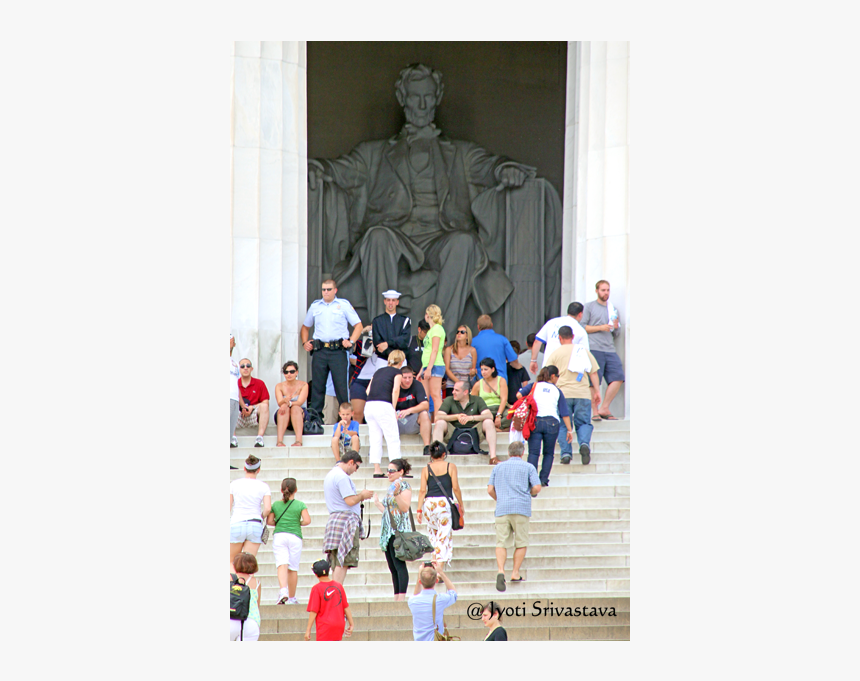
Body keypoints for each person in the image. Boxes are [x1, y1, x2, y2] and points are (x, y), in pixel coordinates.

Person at [308, 63, 545, 340]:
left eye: (428, 97)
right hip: (395, 237)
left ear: (437, 97)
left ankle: (439, 336)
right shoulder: (374, 154)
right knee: (377, 238)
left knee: (465, 242)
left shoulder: (459, 153)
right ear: (402, 99)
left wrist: (505, 169)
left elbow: (490, 166)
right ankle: (382, 335)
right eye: (414, 96)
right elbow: (342, 170)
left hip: (439, 238)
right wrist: (318, 169)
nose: (421, 104)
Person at [301, 279, 364, 415]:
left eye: (329, 289)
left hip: (338, 351)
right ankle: (315, 420)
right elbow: (305, 327)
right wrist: (305, 342)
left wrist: (351, 341)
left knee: (341, 388)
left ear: (335, 290)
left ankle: (345, 421)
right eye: (323, 289)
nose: (326, 292)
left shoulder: (343, 305)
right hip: (320, 351)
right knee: (317, 387)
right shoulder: (316, 306)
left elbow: (358, 326)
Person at [487, 441, 542, 592]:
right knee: (521, 542)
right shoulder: (529, 467)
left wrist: (499, 498)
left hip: (502, 508)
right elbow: (537, 487)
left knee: (501, 542)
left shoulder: (498, 467)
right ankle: (515, 572)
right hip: (521, 508)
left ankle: (500, 571)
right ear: (522, 452)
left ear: (509, 452)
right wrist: (529, 493)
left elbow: (490, 489)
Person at [545, 325, 602, 465]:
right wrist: (597, 391)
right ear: (573, 336)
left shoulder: (555, 353)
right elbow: (593, 372)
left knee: (563, 424)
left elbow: (547, 375)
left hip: (562, 394)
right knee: (583, 423)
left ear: (559, 338)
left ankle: (565, 453)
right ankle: (584, 444)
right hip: (582, 393)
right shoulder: (583, 351)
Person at [322, 450, 373, 585]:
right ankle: (336, 592)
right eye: (357, 466)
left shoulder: (331, 474)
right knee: (342, 560)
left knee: (336, 560)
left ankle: (334, 591)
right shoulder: (342, 477)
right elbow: (350, 501)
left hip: (335, 520)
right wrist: (362, 495)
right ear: (351, 462)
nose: (356, 470)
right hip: (345, 521)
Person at [518, 366, 573, 487]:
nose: (558, 379)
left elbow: (518, 395)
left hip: (535, 421)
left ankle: (531, 481)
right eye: (558, 376)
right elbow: (564, 413)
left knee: (533, 453)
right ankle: (543, 479)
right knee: (548, 453)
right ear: (553, 376)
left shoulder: (534, 386)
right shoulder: (557, 391)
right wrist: (569, 430)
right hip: (552, 422)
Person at [371, 458, 413, 601]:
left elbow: (404, 507)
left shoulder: (404, 486)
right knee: (392, 567)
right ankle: (396, 597)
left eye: (391, 471)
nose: (388, 473)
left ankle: (401, 598)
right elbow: (389, 512)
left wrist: (396, 494)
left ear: (400, 472)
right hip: (388, 532)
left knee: (399, 565)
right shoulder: (391, 487)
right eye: (387, 470)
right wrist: (378, 504)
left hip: (398, 531)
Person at [582, 280, 625, 420]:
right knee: (594, 381)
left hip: (610, 348)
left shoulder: (612, 309)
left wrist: (616, 326)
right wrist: (601, 327)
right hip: (594, 347)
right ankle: (594, 411)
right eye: (603, 290)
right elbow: (582, 328)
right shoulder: (589, 307)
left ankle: (604, 407)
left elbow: (615, 334)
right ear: (596, 291)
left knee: (618, 376)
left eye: (607, 290)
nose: (606, 293)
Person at [416, 441, 464, 567]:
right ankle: (439, 569)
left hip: (429, 503)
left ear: (431, 455)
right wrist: (461, 504)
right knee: (443, 535)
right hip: (443, 503)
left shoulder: (425, 469)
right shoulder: (451, 466)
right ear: (444, 454)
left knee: (433, 534)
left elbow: (422, 491)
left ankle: (433, 561)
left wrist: (419, 510)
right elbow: (456, 487)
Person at [267, 477, 311, 605]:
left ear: (281, 490)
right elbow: (307, 520)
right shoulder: (300, 504)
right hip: (295, 536)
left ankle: (283, 591)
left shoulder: (276, 504)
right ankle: (292, 598)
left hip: (280, 535)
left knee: (282, 564)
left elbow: (270, 521)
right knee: (293, 568)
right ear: (296, 490)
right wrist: (297, 523)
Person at [432, 380, 498, 465]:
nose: (453, 392)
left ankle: (493, 457)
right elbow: (438, 416)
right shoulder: (449, 400)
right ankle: (436, 457)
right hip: (453, 432)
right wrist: (457, 416)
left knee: (489, 422)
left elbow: (489, 416)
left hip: (474, 432)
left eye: (456, 390)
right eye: (453, 389)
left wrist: (471, 418)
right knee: (440, 423)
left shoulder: (477, 400)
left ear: (465, 392)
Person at [364, 349, 405, 477]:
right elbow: (396, 390)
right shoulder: (397, 373)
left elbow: (367, 390)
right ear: (402, 361)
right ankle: (395, 469)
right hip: (384, 405)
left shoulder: (378, 371)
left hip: (369, 405)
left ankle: (377, 470)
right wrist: (393, 408)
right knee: (392, 438)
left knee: (375, 438)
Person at [229, 455, 272, 565]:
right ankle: (247, 582)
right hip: (255, 524)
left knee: (231, 561)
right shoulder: (264, 486)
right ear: (258, 470)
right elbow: (267, 508)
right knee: (248, 563)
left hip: (237, 522)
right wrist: (261, 516)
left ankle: (232, 582)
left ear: (244, 468)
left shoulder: (234, 484)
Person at [529, 301, 591, 377]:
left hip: (548, 366)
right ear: (580, 314)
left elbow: (537, 341)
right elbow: (585, 353)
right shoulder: (581, 331)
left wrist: (533, 360)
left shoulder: (552, 322)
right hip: (566, 370)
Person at [407, 562, 458, 641]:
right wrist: (441, 572)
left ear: (420, 582)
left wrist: (420, 575)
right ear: (436, 580)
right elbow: (453, 593)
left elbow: (416, 596)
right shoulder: (440, 599)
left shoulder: (412, 601)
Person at [305, 559, 354, 641]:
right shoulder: (338, 586)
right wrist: (351, 623)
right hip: (339, 624)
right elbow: (345, 606)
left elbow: (314, 610)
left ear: (316, 574)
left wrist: (308, 629)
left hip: (325, 625)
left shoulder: (316, 589)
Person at [471, 314, 517, 385]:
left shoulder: (473, 342)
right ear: (492, 325)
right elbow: (513, 359)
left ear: (478, 327)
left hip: (481, 380)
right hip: (500, 380)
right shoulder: (502, 339)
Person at [419, 304, 446, 421]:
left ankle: (438, 421)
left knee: (435, 395)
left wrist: (429, 368)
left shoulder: (437, 329)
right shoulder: (432, 330)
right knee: (425, 396)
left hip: (435, 365)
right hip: (428, 365)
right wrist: (423, 370)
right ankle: (427, 421)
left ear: (428, 315)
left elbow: (435, 349)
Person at [273, 361, 309, 447]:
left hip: (300, 413)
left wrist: (287, 403)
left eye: (292, 371)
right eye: (286, 372)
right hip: (284, 414)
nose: (289, 374)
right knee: (283, 409)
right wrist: (284, 403)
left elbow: (300, 402)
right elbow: (279, 402)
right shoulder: (279, 386)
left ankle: (298, 440)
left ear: (297, 372)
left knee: (295, 408)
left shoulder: (303, 385)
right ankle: (279, 441)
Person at [236, 358, 270, 447]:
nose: (245, 368)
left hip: (254, 415)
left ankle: (259, 438)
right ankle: (232, 438)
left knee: (264, 406)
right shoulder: (234, 383)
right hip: (238, 415)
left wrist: (252, 407)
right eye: (242, 366)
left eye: (248, 366)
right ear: (239, 369)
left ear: (252, 369)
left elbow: (265, 402)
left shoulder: (259, 383)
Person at [395, 366, 432, 446]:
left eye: (410, 377)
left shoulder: (417, 384)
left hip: (412, 420)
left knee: (425, 414)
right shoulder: (394, 386)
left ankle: (427, 446)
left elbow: (425, 405)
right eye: (405, 378)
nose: (408, 380)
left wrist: (409, 410)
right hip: (396, 421)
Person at [372, 289, 412, 361]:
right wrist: (391, 354)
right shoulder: (377, 321)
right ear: (385, 301)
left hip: (400, 360)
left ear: (397, 302)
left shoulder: (405, 320)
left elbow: (404, 341)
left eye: (393, 300)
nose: (390, 303)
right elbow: (378, 343)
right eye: (388, 300)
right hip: (383, 360)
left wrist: (387, 344)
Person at [471, 357, 509, 432]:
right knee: (479, 420)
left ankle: (494, 428)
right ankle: (498, 429)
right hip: (486, 410)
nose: (483, 372)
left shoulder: (501, 380)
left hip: (500, 408)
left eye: (486, 369)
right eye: (481, 370)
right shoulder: (478, 384)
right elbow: (473, 402)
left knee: (512, 415)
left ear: (493, 369)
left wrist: (498, 415)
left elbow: (504, 399)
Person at [229, 552, 261, 641]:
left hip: (230, 619)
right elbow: (257, 604)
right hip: (250, 622)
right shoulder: (256, 582)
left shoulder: (230, 579)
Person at [443, 323, 477, 397]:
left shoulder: (472, 351)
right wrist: (458, 382)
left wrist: (473, 372)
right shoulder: (449, 350)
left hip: (467, 386)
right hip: (452, 385)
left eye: (462, 332)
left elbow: (473, 370)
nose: (459, 333)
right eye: (457, 332)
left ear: (467, 336)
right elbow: (447, 369)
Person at [506, 340, 531, 406]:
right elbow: (525, 385)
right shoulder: (522, 368)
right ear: (517, 355)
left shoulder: (504, 368)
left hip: (506, 398)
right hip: (518, 398)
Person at [230, 333, 240, 448]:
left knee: (230, 432)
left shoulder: (236, 363)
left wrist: (241, 403)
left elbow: (237, 384)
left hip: (235, 399)